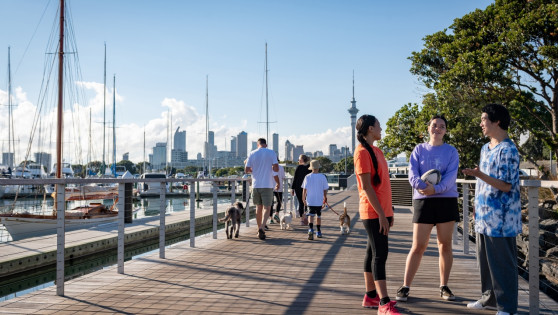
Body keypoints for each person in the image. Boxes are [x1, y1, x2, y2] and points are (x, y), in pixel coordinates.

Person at [462, 104, 521, 315]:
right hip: (484, 216)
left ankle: (507, 307)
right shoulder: (485, 148)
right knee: (485, 262)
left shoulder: (509, 150)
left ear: (497, 121)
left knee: (503, 264)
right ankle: (489, 298)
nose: (480, 123)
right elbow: (482, 185)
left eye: (484, 119)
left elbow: (505, 185)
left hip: (502, 218)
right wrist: (476, 207)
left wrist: (479, 175)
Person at [396, 115, 459, 302]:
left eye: (442, 126)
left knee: (445, 245)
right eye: (434, 125)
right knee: (418, 246)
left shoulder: (451, 151)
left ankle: (444, 286)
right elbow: (412, 174)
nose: (437, 129)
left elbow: (450, 177)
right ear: (428, 128)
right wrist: (425, 188)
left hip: (446, 200)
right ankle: (405, 286)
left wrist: (436, 189)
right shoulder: (419, 149)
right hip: (423, 200)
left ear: (446, 130)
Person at [354, 114, 400, 314]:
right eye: (379, 126)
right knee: (380, 255)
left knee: (372, 252)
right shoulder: (362, 152)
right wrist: (381, 214)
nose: (381, 129)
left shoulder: (376, 151)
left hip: (382, 210)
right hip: (373, 212)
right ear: (370, 128)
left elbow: (383, 185)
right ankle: (383, 303)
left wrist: (388, 211)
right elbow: (366, 187)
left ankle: (371, 296)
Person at [245, 138, 280, 240]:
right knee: (267, 208)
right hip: (268, 184)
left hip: (256, 185)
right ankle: (262, 228)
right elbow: (276, 168)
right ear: (266, 144)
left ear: (258, 144)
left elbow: (247, 170)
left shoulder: (252, 153)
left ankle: (258, 227)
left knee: (258, 208)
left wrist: (254, 170)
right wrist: (271, 168)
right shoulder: (271, 152)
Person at [302, 160, 329, 240]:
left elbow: (304, 189)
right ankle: (318, 231)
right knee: (318, 216)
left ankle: (310, 229)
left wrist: (303, 199)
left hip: (310, 199)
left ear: (311, 168)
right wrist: (325, 198)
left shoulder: (307, 177)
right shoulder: (322, 176)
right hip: (319, 200)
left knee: (311, 215)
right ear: (318, 168)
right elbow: (325, 189)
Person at [291, 154, 311, 225]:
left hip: (298, 187)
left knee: (301, 203)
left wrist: (292, 189)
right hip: (307, 187)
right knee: (306, 203)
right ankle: (306, 217)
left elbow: (295, 178)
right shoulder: (309, 167)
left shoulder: (299, 167)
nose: (298, 161)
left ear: (302, 160)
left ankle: (302, 219)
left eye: (299, 160)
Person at [270, 154, 286, 224]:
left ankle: (271, 219)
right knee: (279, 201)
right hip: (279, 187)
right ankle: (276, 214)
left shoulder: (269, 167)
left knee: (270, 203)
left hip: (270, 186)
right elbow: (283, 177)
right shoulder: (281, 168)